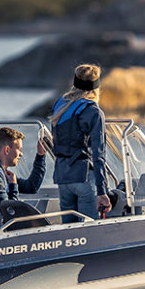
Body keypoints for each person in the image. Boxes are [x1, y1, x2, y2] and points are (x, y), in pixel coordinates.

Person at [50, 64, 111, 221]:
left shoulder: (60, 104)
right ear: (96, 86)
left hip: (62, 178)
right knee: (89, 232)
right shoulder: (93, 111)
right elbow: (99, 155)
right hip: (83, 178)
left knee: (69, 232)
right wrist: (102, 192)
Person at [0, 126, 47, 207]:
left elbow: (31, 187)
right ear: (7, 150)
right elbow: (9, 211)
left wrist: (40, 155)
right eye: (19, 149)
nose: (21, 154)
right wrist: (13, 187)